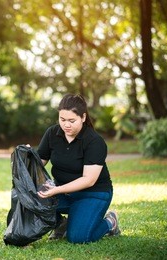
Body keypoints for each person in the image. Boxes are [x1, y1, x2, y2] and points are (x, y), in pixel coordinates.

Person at [36, 93, 120, 244]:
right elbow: (38, 163)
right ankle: (61, 224)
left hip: (92, 194)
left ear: (83, 117)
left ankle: (110, 222)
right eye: (62, 120)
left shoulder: (94, 141)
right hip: (63, 193)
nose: (66, 125)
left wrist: (56, 190)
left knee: (78, 238)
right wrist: (25, 157)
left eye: (71, 120)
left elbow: (89, 180)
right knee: (32, 198)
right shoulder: (52, 133)